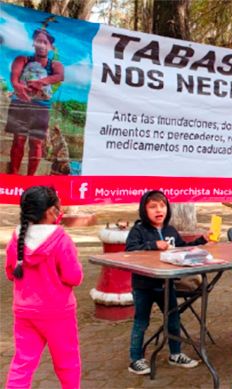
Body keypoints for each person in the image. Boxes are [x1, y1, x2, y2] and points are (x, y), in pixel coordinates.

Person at [4, 186, 83, 389]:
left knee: (22, 364)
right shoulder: (61, 240)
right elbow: (74, 277)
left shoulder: (15, 239)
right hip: (58, 313)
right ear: (50, 211)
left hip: (24, 312)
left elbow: (11, 273)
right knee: (67, 363)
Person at [126, 190, 207, 375]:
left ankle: (175, 353)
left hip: (167, 285)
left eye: (162, 206)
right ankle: (136, 359)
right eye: (153, 206)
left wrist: (201, 241)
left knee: (173, 318)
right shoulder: (138, 230)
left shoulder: (170, 230)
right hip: (143, 286)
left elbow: (181, 249)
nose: (158, 210)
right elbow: (129, 252)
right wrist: (153, 245)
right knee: (141, 322)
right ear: (143, 210)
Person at [5, 28, 64, 175]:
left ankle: (30, 179)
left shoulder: (55, 65)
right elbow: (14, 78)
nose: (41, 45)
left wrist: (41, 82)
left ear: (50, 47)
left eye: (45, 42)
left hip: (41, 107)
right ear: (33, 43)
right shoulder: (22, 60)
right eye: (38, 41)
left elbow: (59, 76)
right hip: (21, 103)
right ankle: (13, 175)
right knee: (18, 140)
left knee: (36, 143)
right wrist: (18, 87)